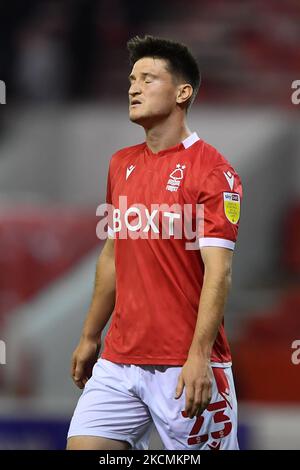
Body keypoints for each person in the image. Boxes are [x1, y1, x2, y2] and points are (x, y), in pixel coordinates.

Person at [67, 35, 242, 451]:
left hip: (184, 363)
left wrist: (198, 355)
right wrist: (91, 335)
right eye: (131, 79)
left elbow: (220, 272)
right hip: (119, 360)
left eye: (148, 79)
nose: (133, 88)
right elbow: (113, 254)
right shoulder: (120, 164)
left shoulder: (214, 172)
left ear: (183, 92)